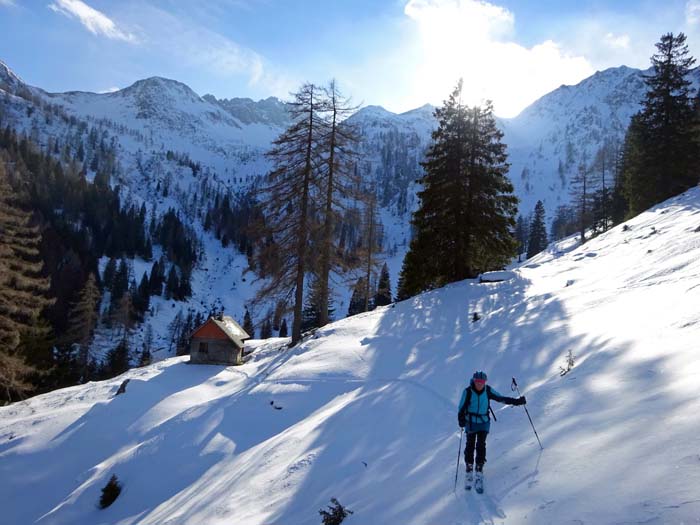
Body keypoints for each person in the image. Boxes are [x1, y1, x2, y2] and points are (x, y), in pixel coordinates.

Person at [457, 371, 526, 490]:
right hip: (471, 422)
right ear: (474, 381)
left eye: (482, 382)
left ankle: (479, 468)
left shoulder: (487, 390)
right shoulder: (467, 392)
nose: (480, 384)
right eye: (477, 381)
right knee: (470, 445)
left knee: (481, 445)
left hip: (483, 422)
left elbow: (501, 398)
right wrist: (461, 419)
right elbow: (461, 407)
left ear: (485, 382)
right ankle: (469, 468)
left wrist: (517, 401)